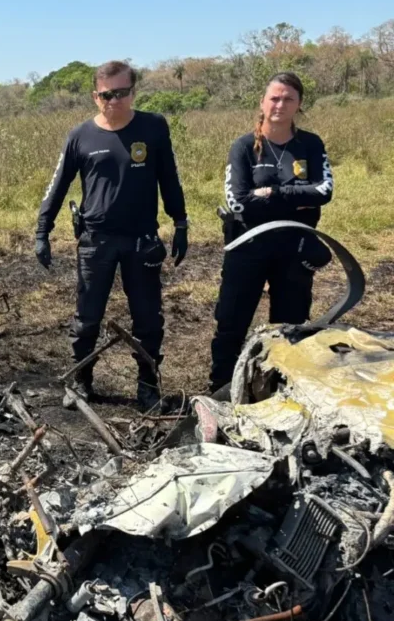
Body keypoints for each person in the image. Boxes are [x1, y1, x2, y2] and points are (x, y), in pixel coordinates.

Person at [35, 60, 189, 412]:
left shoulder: (153, 127)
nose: (114, 100)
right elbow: (57, 186)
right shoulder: (80, 136)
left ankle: (148, 386)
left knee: (148, 319)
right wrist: (43, 230)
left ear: (133, 92)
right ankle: (81, 380)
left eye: (121, 93)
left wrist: (180, 222)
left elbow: (169, 177)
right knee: (87, 318)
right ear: (95, 97)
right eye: (106, 95)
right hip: (96, 241)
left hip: (142, 240)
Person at [208, 72, 334, 393]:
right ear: (262, 102)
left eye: (288, 98)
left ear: (299, 104)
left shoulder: (310, 144)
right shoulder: (244, 147)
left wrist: (273, 193)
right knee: (231, 324)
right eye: (274, 98)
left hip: (294, 249)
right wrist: (296, 198)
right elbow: (238, 202)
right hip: (248, 245)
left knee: (290, 328)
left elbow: (323, 192)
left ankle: (280, 390)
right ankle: (220, 390)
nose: (280, 104)